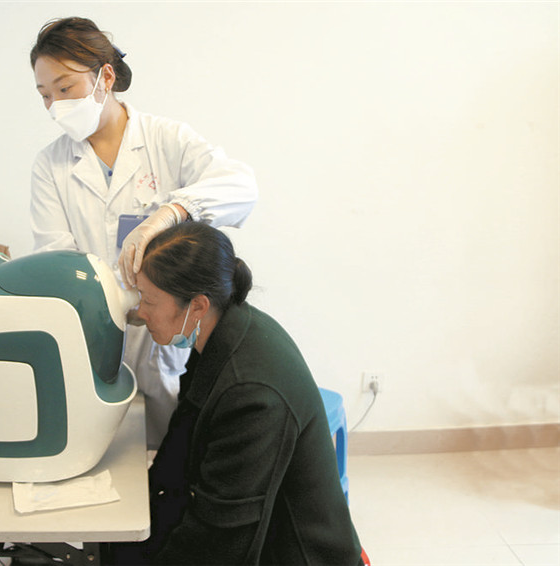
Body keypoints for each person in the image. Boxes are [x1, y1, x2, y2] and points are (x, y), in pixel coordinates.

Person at [30, 16, 258, 448]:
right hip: (95, 333)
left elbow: (241, 186)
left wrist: (171, 212)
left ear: (105, 77)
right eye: (45, 95)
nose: (55, 105)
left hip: (167, 337)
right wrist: (110, 301)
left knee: (170, 451)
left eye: (65, 88)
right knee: (104, 451)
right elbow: (55, 257)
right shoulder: (51, 165)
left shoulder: (165, 139)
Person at [107, 222, 364, 565]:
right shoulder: (222, 332)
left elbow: (222, 538)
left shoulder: (251, 395)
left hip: (295, 553)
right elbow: (181, 442)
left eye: (149, 301)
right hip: (249, 528)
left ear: (197, 306)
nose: (140, 312)